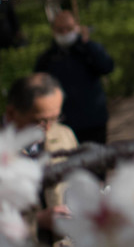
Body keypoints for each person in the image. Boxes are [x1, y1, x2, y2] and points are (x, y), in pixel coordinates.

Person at [3, 73, 77, 245]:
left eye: (55, 118)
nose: (49, 127)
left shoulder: (64, 135)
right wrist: (39, 220)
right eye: (40, 121)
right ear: (12, 112)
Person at [35, 11, 114, 144]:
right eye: (60, 30)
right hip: (64, 123)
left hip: (93, 120)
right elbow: (38, 88)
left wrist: (87, 44)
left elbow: (107, 67)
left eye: (69, 28)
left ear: (77, 27)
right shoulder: (47, 59)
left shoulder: (88, 49)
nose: (65, 33)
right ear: (53, 31)